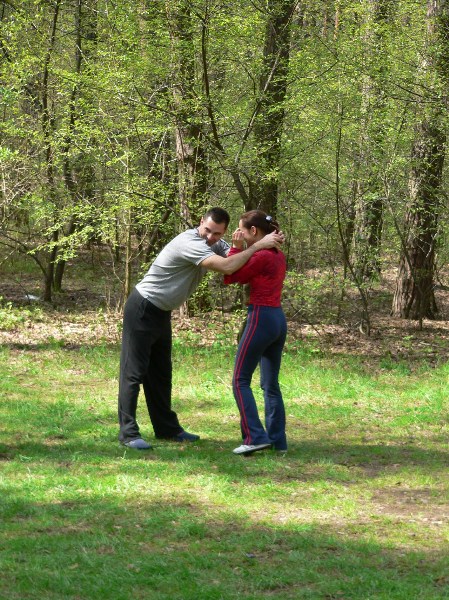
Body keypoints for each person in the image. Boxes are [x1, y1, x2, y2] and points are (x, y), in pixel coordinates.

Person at [118, 207, 285, 449]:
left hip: (162, 311)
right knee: (133, 371)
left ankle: (166, 428)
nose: (210, 237)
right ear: (200, 222)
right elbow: (227, 267)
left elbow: (240, 261)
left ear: (224, 232)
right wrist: (259, 245)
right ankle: (129, 434)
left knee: (161, 373)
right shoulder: (189, 242)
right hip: (143, 306)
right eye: (207, 230)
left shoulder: (216, 244)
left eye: (217, 234)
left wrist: (270, 240)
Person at [223, 210, 287, 456]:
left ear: (253, 231)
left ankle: (255, 437)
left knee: (240, 380)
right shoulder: (277, 254)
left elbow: (232, 276)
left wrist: (236, 248)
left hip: (261, 317)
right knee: (270, 384)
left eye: (240, 230)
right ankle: (278, 442)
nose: (237, 233)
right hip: (278, 319)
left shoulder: (261, 255)